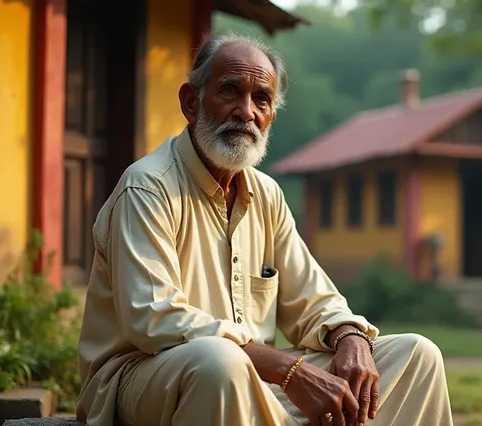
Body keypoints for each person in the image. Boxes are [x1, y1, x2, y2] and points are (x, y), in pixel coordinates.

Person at [76, 33, 454, 426]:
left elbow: (313, 299)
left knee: (416, 354)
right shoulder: (148, 186)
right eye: (230, 91)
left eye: (261, 99)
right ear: (192, 102)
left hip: (250, 378)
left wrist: (350, 337)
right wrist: (286, 369)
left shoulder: (266, 194)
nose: (246, 112)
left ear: (272, 113)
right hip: (142, 379)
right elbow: (153, 319)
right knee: (218, 362)